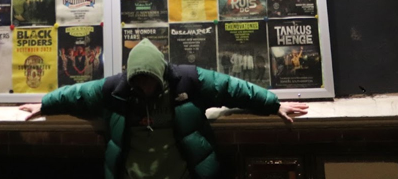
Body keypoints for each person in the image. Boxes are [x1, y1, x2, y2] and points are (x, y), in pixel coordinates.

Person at [20, 38, 308, 179]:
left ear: (161, 73)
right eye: (139, 82)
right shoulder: (116, 89)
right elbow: (78, 94)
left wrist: (274, 104)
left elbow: (232, 88)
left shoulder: (189, 80)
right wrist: (45, 104)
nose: (145, 88)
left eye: (150, 81)